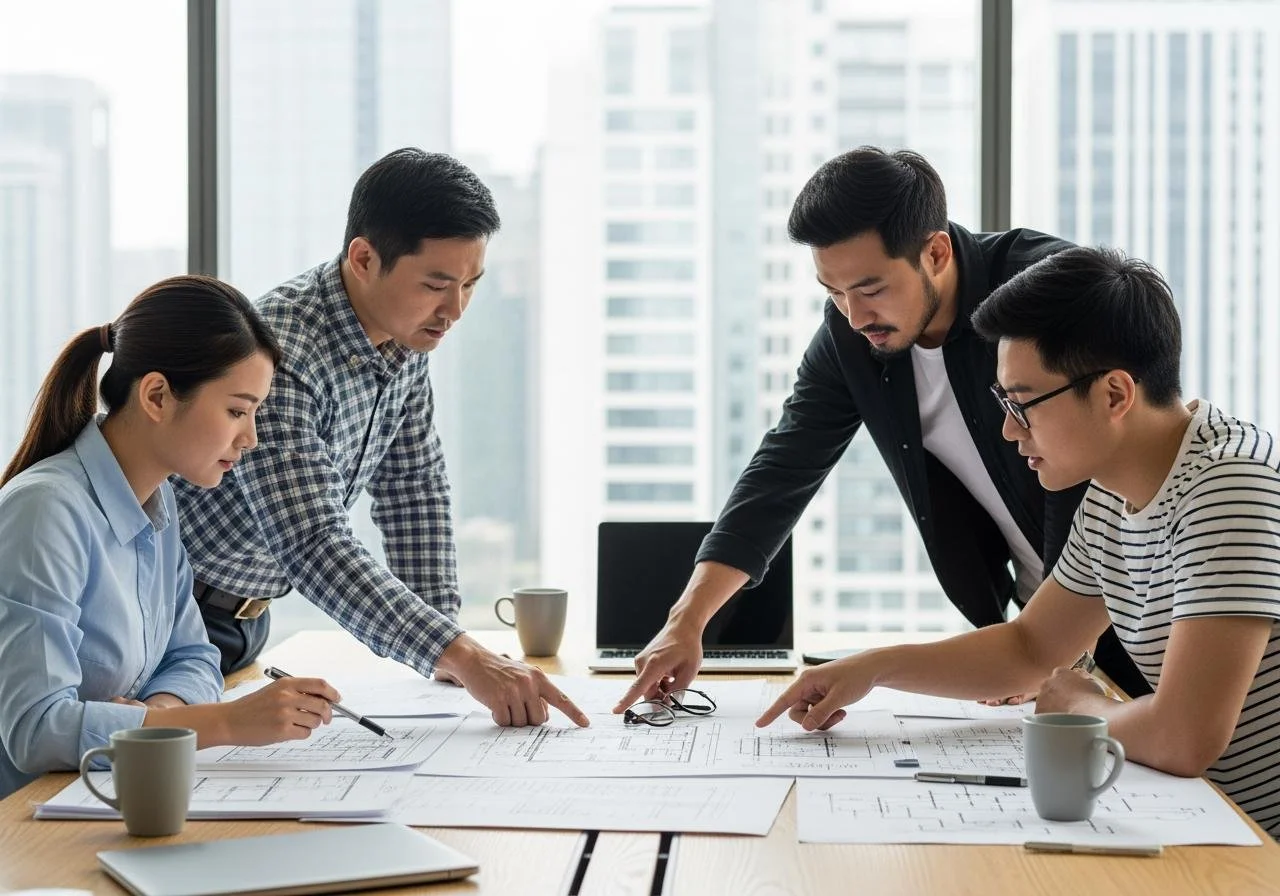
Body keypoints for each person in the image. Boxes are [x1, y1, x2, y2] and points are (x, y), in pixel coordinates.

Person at [756, 246, 1280, 837]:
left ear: (1114, 395)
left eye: (1023, 404)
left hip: (1254, 844)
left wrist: (1081, 708)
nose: (1008, 430)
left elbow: (1184, 738)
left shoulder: (1229, 483)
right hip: (1213, 823)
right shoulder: (1114, 488)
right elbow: (1032, 647)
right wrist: (871, 668)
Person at [615, 147, 1149, 714]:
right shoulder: (854, 338)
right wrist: (687, 621)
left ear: (936, 252)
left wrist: (1061, 650)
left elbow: (1116, 449)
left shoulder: (1043, 291)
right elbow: (783, 468)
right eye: (833, 292)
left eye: (870, 289)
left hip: (1129, 602)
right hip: (1033, 627)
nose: (853, 316)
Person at [173, 148, 589, 729]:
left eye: (471, 284)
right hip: (179, 616)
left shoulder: (406, 336)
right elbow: (312, 541)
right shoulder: (280, 352)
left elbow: (414, 489)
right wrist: (464, 656)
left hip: (249, 621)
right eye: (436, 285)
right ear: (364, 258)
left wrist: (446, 653)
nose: (455, 310)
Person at [0, 276, 343, 799]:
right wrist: (222, 723)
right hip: (26, 824)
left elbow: (195, 657)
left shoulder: (158, 506)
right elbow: (35, 730)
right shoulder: (45, 511)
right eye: (236, 410)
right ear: (157, 396)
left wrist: (157, 721)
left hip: (103, 792)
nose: (250, 439)